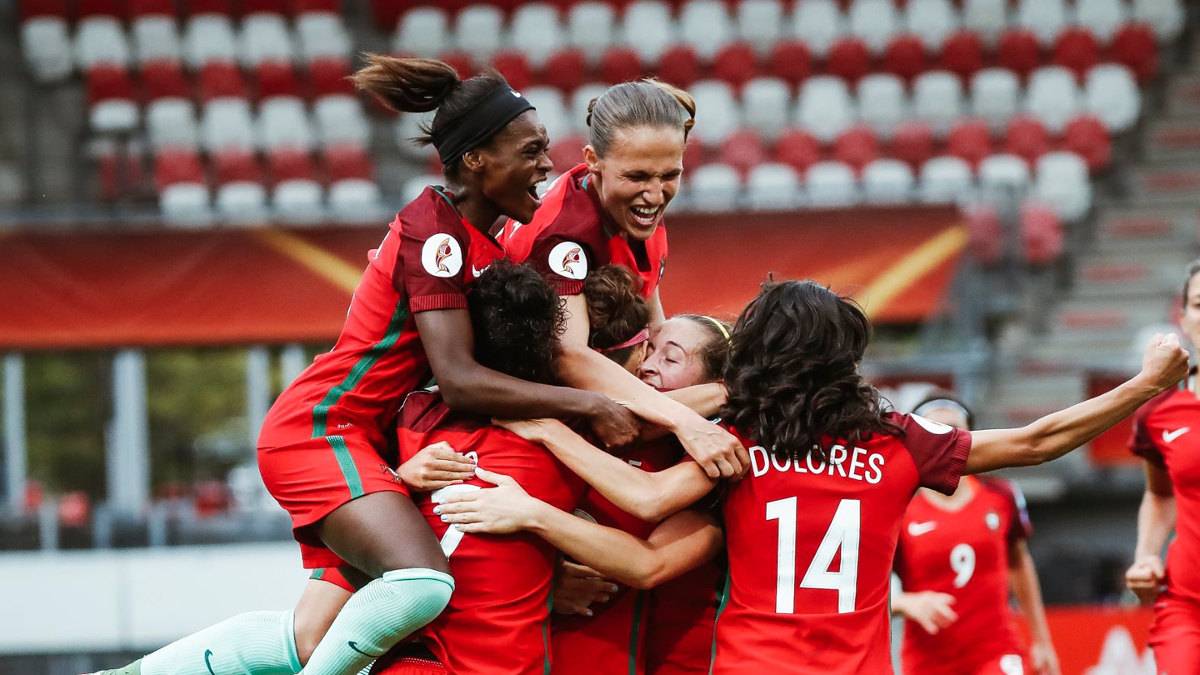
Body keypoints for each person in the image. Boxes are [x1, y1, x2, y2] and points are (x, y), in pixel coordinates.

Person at [87, 55, 637, 675]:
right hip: (324, 428)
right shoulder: (436, 234)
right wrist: (588, 402)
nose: (546, 163)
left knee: (307, 640)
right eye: (532, 149)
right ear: (478, 159)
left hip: (367, 440)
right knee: (422, 583)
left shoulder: (478, 240)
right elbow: (457, 378)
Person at [439, 279, 1190, 675]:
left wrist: (539, 448)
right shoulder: (896, 439)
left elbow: (644, 516)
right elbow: (1036, 439)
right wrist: (1146, 383)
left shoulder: (741, 440)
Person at [367, 262, 673, 675]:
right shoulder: (571, 440)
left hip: (409, 661)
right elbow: (646, 487)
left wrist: (398, 478)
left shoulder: (410, 416)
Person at [500, 78, 749, 481]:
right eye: (637, 176)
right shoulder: (563, 236)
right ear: (592, 159)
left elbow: (654, 323)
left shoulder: (631, 208)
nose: (654, 194)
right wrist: (687, 419)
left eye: (670, 174)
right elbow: (569, 356)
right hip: (514, 428)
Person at [550, 312, 732, 675]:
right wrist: (546, 581)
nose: (646, 366)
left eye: (671, 357)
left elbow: (647, 562)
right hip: (559, 653)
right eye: (647, 350)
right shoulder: (580, 423)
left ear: (712, 384)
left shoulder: (711, 459)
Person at [892, 391, 1060, 675]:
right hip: (929, 661)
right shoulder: (899, 506)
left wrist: (1042, 640)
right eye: (937, 432)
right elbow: (866, 582)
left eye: (954, 431)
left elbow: (1018, 563)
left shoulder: (1000, 495)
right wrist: (905, 602)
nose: (945, 442)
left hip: (995, 652)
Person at [1126, 258, 1200, 674]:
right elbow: (1159, 493)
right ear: (1184, 318)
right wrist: (1145, 556)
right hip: (1188, 606)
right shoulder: (1158, 414)